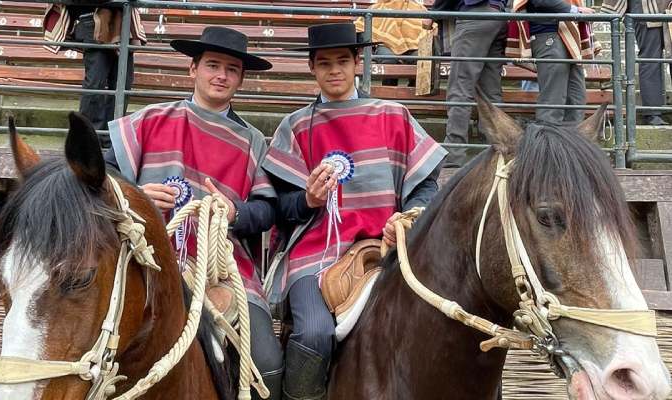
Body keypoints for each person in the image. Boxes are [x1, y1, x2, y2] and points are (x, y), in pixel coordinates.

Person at [262, 23, 447, 400]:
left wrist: (409, 217)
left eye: (343, 61)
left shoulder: (393, 115)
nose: (335, 70)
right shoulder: (294, 126)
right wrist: (307, 200)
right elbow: (279, 208)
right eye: (325, 63)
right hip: (314, 256)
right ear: (312, 67)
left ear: (357, 62)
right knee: (313, 332)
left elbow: (425, 186)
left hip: (389, 249)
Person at [105, 26, 283, 399]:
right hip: (147, 262)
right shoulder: (150, 119)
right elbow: (100, 179)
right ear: (193, 70)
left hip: (226, 270)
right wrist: (136, 194)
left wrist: (235, 212)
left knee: (267, 361)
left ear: (241, 78)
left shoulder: (253, 141)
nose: (221, 75)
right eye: (213, 65)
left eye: (231, 69)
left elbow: (267, 211)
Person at [43, 4, 146, 143]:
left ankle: (111, 137)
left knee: (122, 83)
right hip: (93, 19)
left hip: (123, 21)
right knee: (95, 83)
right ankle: (87, 138)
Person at [432, 0, 508, 167]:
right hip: (499, 14)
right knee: (491, 91)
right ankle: (495, 151)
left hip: (475, 14)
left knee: (460, 87)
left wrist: (433, 14)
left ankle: (454, 153)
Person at [507, 0, 597, 123]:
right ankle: (548, 140)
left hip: (568, 34)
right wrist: (576, 10)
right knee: (553, 101)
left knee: (576, 100)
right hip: (549, 35)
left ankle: (571, 141)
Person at [602, 0, 671, 125]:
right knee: (651, 60)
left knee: (652, 60)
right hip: (646, 9)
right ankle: (652, 113)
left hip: (665, 7)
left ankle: (654, 113)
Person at [353, 0, 433, 86]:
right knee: (389, 59)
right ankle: (388, 93)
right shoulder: (377, 7)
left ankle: (412, 91)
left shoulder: (418, 8)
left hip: (413, 45)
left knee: (421, 58)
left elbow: (430, 27)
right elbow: (360, 26)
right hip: (385, 44)